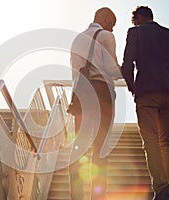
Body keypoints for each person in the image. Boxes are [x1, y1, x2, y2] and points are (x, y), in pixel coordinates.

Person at [121, 6, 169, 200]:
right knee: (166, 143)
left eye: (135, 21)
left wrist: (132, 88)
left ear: (138, 19)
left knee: (151, 141)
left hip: (146, 93)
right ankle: (167, 190)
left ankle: (161, 189)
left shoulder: (135, 33)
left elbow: (127, 65)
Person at [69, 7, 121, 200]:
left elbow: (75, 71)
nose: (113, 29)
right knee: (101, 146)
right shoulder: (106, 36)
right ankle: (98, 196)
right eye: (112, 24)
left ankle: (76, 195)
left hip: (81, 94)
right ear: (106, 19)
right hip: (102, 94)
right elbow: (111, 68)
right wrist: (126, 72)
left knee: (79, 146)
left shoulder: (77, 39)